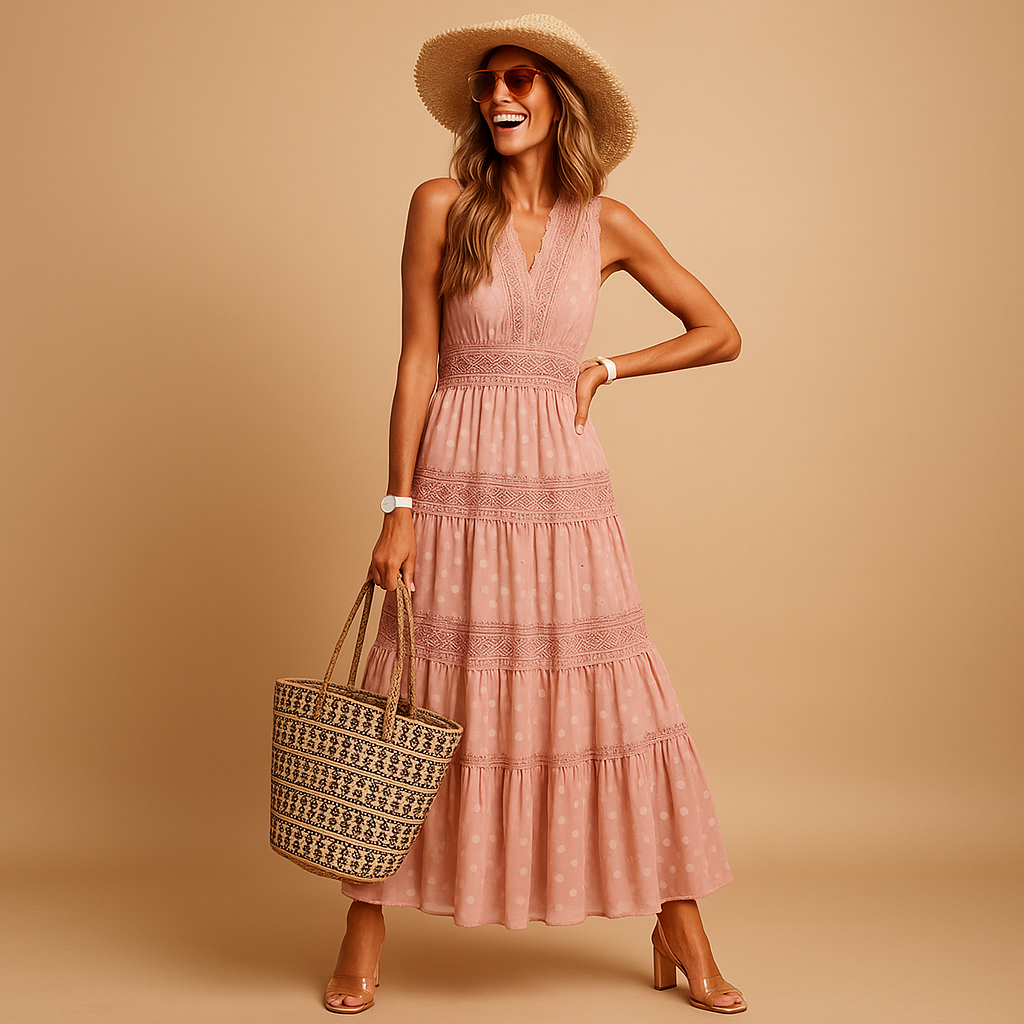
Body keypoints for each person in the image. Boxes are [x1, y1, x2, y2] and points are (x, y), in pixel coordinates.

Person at [325, 13, 745, 1015]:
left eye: (520, 78)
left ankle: (679, 924)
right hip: (455, 482)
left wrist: (607, 366)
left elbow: (719, 331)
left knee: (609, 696)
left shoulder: (607, 222)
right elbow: (417, 361)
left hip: (564, 491)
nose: (499, 96)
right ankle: (362, 924)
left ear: (559, 97)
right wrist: (396, 507)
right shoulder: (440, 205)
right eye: (487, 83)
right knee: (418, 690)